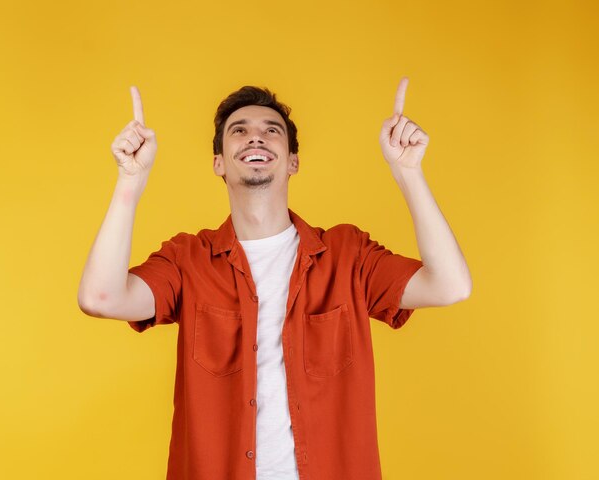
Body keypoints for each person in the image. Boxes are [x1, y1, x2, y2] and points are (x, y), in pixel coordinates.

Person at [78, 78, 472, 480]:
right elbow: (101, 297)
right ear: (218, 162)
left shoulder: (347, 256)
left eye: (271, 131)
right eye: (239, 131)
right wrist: (130, 181)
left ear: (292, 160)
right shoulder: (188, 261)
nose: (256, 139)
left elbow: (450, 285)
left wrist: (408, 173)